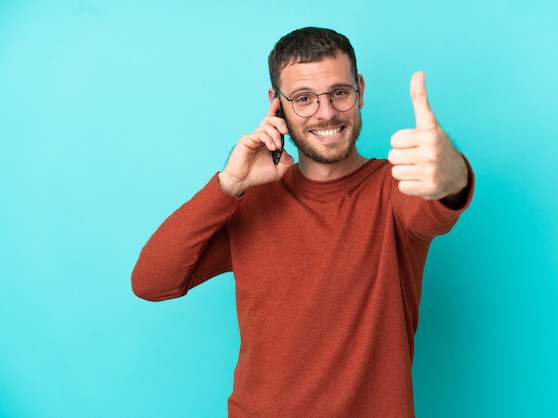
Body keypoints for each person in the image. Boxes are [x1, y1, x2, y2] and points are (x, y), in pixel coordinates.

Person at [132, 27, 473, 417]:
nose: (325, 113)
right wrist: (227, 185)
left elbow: (437, 200)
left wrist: (452, 172)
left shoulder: (395, 189)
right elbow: (151, 282)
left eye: (339, 93)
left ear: (359, 90)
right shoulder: (249, 202)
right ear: (276, 104)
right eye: (304, 99)